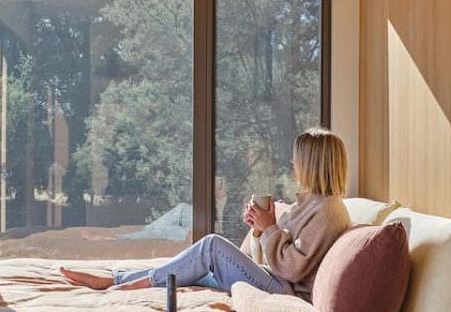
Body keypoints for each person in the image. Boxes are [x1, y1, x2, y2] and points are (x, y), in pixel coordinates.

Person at [60, 128, 352, 299]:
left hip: (285, 290)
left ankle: (133, 285)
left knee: (211, 245)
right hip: (274, 278)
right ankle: (117, 280)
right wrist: (260, 228)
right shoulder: (307, 203)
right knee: (191, 264)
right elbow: (271, 256)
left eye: (297, 157)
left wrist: (271, 229)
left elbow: (294, 269)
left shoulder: (328, 210)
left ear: (314, 163)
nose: (292, 162)